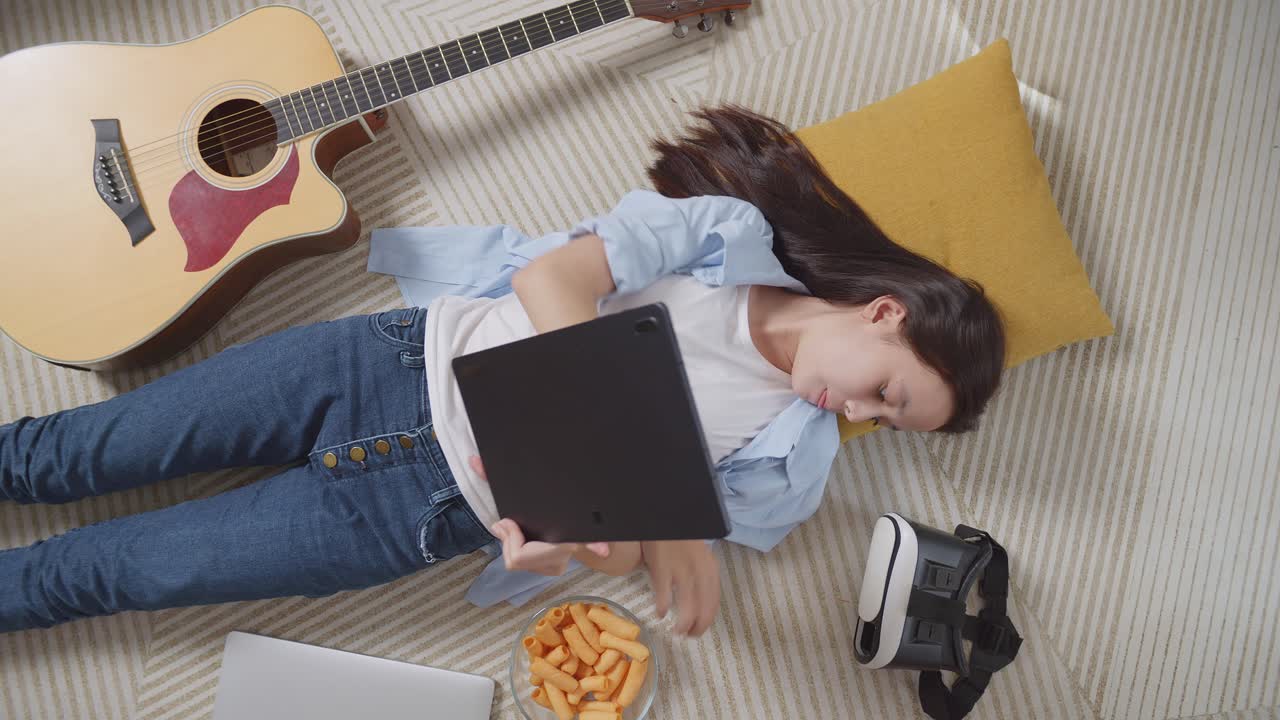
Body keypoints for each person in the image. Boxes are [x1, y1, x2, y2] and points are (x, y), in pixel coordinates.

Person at [0, 105, 1004, 636]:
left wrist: (567, 555)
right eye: (886, 391)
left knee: (96, 576)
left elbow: (617, 553)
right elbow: (551, 281)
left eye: (883, 423)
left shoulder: (792, 468)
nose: (855, 411)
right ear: (884, 313)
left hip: (418, 515)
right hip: (381, 368)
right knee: (62, 455)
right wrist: (657, 495)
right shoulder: (724, 240)